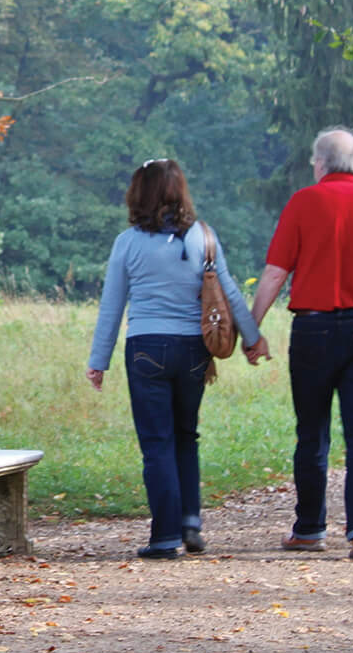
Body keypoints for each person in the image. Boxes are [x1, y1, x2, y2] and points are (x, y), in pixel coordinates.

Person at [247, 127, 353, 561]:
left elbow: (275, 273)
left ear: (319, 164)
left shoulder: (303, 202)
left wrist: (251, 330)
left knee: (312, 433)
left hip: (313, 331)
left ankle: (309, 529)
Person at [86, 158, 263, 560]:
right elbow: (230, 293)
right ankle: (190, 523)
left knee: (157, 443)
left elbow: (111, 307)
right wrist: (253, 339)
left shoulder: (128, 242)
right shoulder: (204, 237)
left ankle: (164, 538)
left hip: (147, 348)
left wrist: (99, 361)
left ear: (138, 194)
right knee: (186, 436)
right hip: (193, 350)